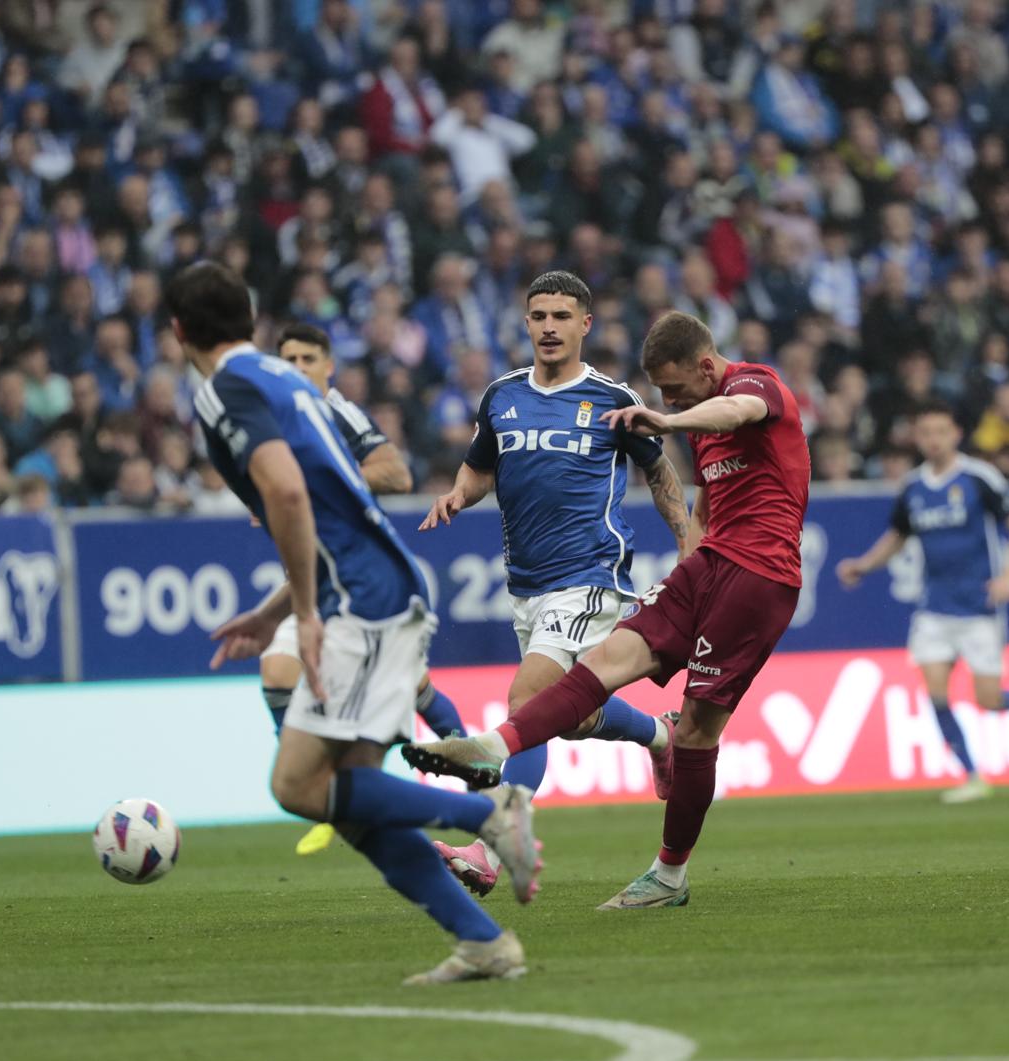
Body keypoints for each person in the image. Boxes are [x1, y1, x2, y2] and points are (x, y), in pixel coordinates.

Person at [166, 262, 537, 984]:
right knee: (356, 808)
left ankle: (490, 810)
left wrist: (304, 614)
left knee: (297, 787)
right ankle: (484, 944)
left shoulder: (223, 392)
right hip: (374, 588)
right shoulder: (289, 382)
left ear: (179, 332)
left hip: (361, 603)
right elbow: (333, 499)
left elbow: (287, 495)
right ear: (250, 320)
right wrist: (274, 610)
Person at [405, 310, 807, 910]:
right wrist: (689, 555)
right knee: (609, 657)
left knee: (698, 727)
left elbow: (735, 412)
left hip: (759, 576)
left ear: (705, 365)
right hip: (709, 565)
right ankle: (529, 743)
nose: (667, 399)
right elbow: (705, 497)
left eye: (674, 388)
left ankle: (668, 875)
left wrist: (668, 417)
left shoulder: (753, 384)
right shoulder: (512, 397)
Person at [416, 271, 691, 897]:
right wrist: (460, 493)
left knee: (527, 702)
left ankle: (491, 849)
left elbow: (660, 471)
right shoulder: (502, 397)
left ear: (584, 325)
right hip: (528, 585)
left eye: (561, 317)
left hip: (590, 576)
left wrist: (687, 543)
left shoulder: (611, 399)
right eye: (538, 315)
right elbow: (480, 467)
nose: (547, 327)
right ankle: (660, 734)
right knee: (570, 716)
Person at [262, 321, 468, 859]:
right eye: (289, 359)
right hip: (316, 584)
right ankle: (326, 784)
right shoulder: (277, 421)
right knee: (277, 669)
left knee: (413, 686)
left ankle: (474, 770)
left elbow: (396, 473)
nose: (299, 369)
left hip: (360, 586)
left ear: (329, 367)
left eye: (309, 358)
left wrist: (325, 479)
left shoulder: (335, 411)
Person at [836, 400, 1009, 804]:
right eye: (926, 432)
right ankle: (972, 775)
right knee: (936, 692)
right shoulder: (913, 486)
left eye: (941, 431)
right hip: (934, 608)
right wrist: (864, 565)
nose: (933, 440)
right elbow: (898, 535)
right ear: (917, 437)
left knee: (987, 699)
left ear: (956, 434)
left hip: (978, 607)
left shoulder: (978, 477)